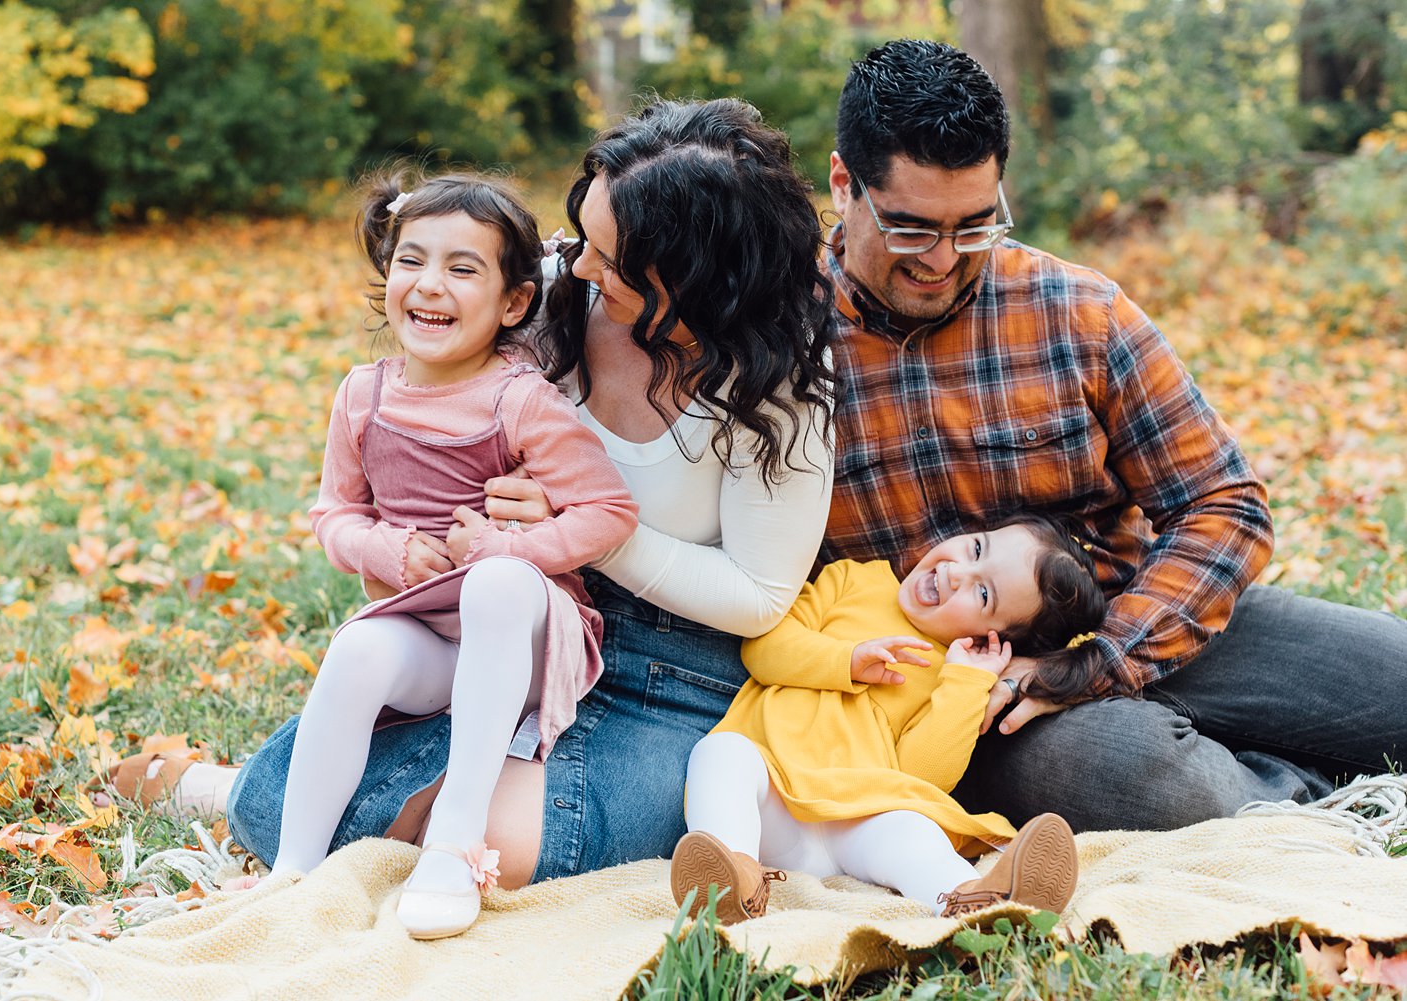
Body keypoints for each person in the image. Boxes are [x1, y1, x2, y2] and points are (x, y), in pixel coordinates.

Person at [102, 99, 835, 889]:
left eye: (608, 258)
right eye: (582, 237)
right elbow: (421, 393)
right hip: (502, 622)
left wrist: (594, 530)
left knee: (507, 846)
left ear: (696, 275)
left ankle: (277, 794)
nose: (577, 265)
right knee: (281, 806)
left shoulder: (777, 383)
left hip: (665, 669)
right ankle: (242, 788)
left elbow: (760, 594)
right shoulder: (549, 295)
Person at [820, 39, 1407, 832]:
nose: (944, 261)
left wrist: (1104, 660)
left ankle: (1249, 766)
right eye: (912, 230)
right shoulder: (777, 346)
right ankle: (1301, 797)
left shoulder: (1074, 309)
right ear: (843, 185)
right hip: (972, 699)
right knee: (1136, 776)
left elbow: (1225, 503)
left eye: (975, 227)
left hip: (1141, 618)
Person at [267, 171, 639, 938]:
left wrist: (507, 545)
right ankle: (292, 869)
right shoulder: (363, 396)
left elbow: (609, 511)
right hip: (432, 632)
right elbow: (333, 512)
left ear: (513, 303)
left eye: (462, 268)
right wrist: (388, 547)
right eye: (412, 259)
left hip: (526, 630)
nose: (429, 284)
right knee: (360, 646)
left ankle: (455, 842)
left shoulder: (520, 399)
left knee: (498, 582)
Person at [672, 514, 1100, 924]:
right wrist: (847, 660)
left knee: (912, 829)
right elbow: (763, 649)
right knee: (720, 753)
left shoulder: (959, 674)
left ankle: (975, 900)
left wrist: (965, 684)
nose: (956, 574)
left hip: (860, 819)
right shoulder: (853, 579)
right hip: (774, 806)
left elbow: (921, 775)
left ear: (996, 640)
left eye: (983, 594)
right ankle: (732, 876)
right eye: (975, 548)